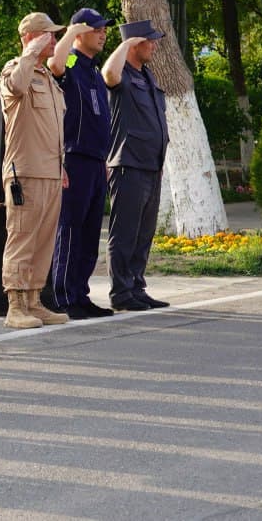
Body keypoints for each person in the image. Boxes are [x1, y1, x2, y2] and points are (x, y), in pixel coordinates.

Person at [0, 13, 85, 329]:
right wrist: (29, 53)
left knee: (44, 240)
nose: (53, 40)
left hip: (49, 171)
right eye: (48, 35)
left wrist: (60, 166)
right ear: (32, 36)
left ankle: (34, 300)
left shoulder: (47, 77)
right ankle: (15, 306)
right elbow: (14, 87)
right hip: (26, 172)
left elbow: (53, 128)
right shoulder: (15, 68)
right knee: (22, 237)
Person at [46, 7, 115, 319]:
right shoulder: (73, 62)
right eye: (97, 29)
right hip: (74, 159)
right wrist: (71, 33)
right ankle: (64, 297)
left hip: (96, 161)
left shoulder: (92, 69)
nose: (103, 34)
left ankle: (81, 293)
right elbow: (56, 64)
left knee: (89, 234)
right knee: (70, 230)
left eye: (104, 29)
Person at [102, 19, 171, 312]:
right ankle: (121, 292)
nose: (154, 45)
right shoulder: (122, 75)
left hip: (151, 164)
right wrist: (125, 44)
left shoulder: (147, 76)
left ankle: (136, 286)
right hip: (128, 163)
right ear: (133, 44)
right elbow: (108, 73)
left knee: (144, 232)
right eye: (149, 40)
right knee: (126, 232)